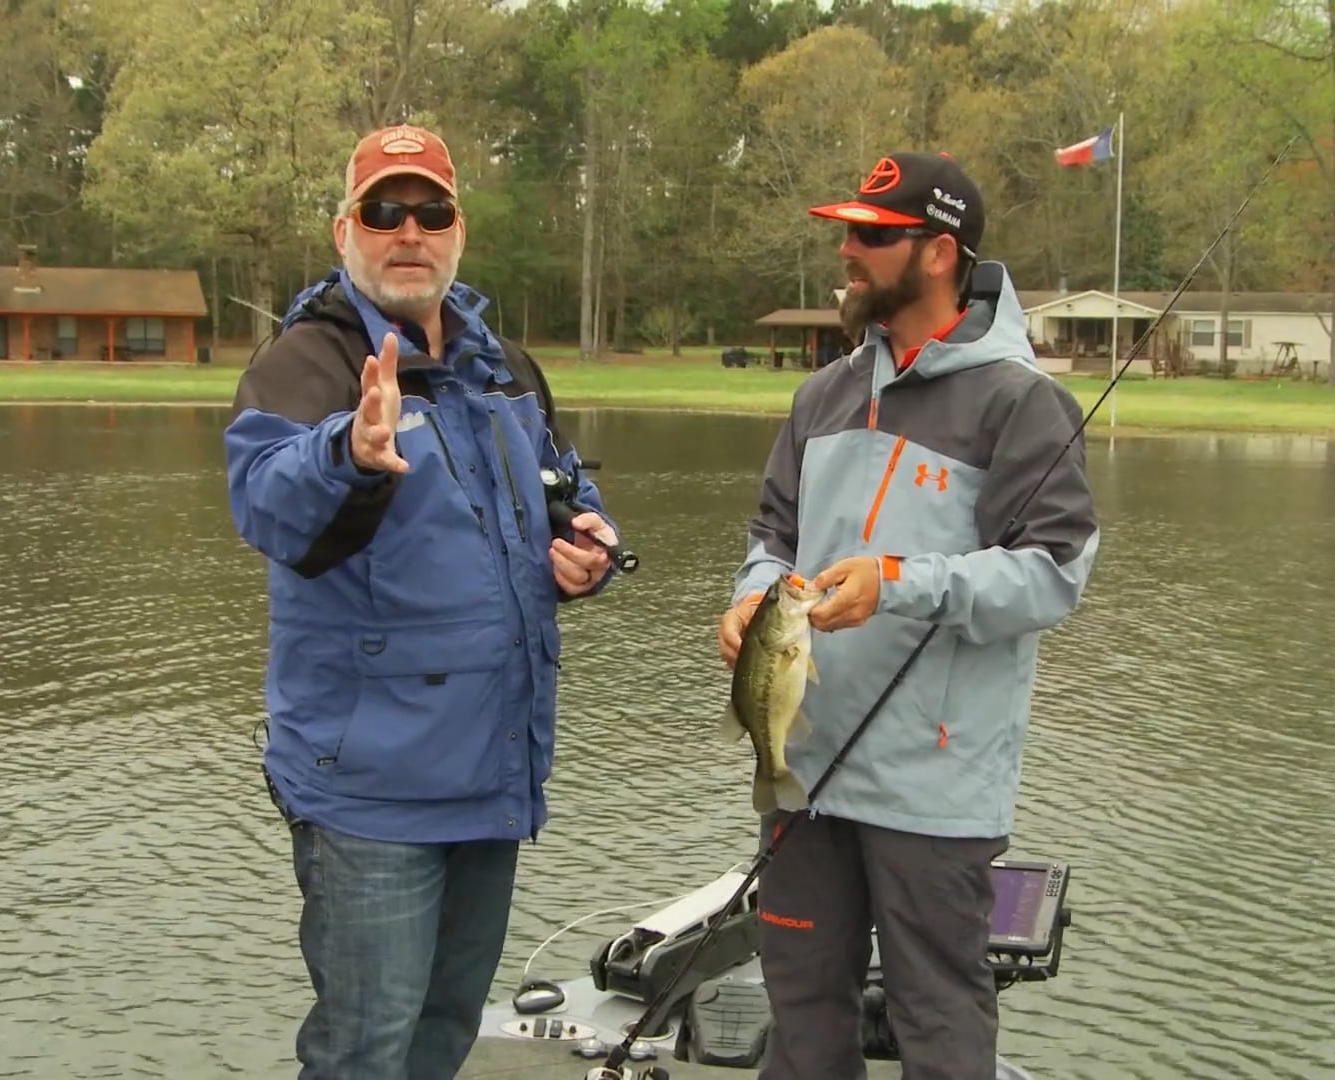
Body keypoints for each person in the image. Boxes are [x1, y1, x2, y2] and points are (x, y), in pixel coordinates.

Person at [223, 122, 622, 1080]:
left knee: (444, 1035)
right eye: (384, 211)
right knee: (364, 1050)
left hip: (491, 774)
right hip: (370, 793)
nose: (410, 231)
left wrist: (589, 549)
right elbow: (267, 504)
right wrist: (347, 452)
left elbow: (563, 490)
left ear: (458, 232)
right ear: (345, 232)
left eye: (431, 211)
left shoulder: (507, 368)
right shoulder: (305, 364)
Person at [717, 151, 1100, 1078]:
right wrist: (751, 596)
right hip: (807, 775)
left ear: (938, 253)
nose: (848, 251)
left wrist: (899, 583)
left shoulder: (1023, 403)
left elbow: (1050, 577)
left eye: (873, 236)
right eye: (848, 232)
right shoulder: (824, 394)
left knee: (940, 1023)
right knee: (802, 1013)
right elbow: (773, 535)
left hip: (934, 787)